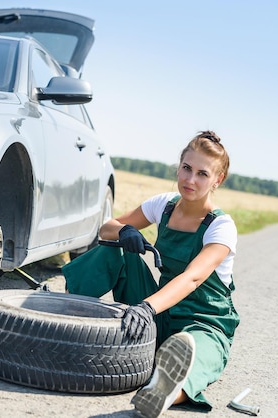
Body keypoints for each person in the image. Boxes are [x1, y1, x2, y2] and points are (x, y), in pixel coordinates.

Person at [62, 131, 239, 417]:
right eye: (186, 168)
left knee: (193, 359)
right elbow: (107, 228)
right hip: (161, 313)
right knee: (114, 248)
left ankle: (163, 392)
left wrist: (145, 307)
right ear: (179, 166)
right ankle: (63, 312)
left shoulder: (221, 227)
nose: (190, 180)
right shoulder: (164, 205)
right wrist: (126, 231)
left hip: (204, 324)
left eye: (202, 174)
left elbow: (193, 277)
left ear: (217, 180)